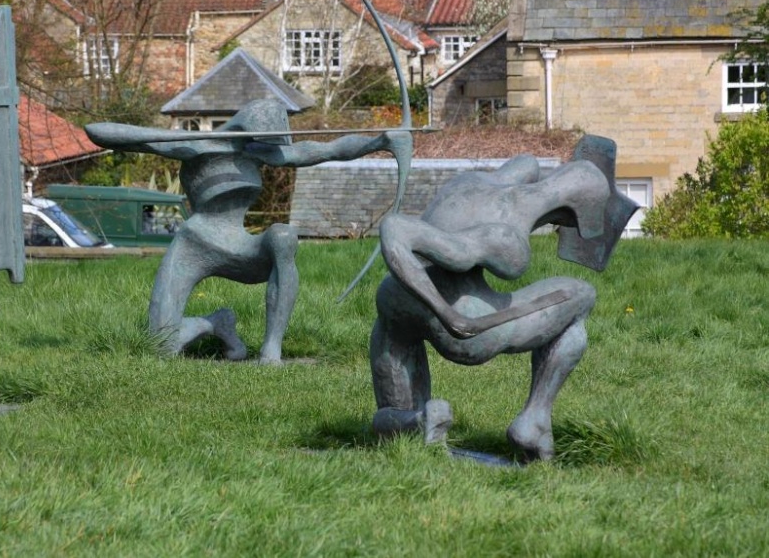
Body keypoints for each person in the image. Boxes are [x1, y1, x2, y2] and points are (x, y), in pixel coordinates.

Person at [86, 98, 410, 363]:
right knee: (161, 345)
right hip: (194, 244)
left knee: (283, 236)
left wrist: (379, 141)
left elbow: (329, 149)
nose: (273, 150)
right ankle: (215, 323)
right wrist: (166, 140)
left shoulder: (257, 151)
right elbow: (102, 132)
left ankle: (271, 350)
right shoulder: (194, 146)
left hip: (241, 248)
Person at [370, 138, 635, 460]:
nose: (557, 229)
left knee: (394, 408)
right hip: (462, 323)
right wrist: (447, 314)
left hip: (395, 301)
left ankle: (419, 420)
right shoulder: (507, 239)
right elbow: (396, 230)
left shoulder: (475, 181)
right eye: (563, 223)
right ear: (567, 210)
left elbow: (527, 164)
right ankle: (534, 420)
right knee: (581, 295)